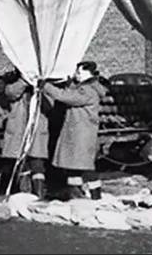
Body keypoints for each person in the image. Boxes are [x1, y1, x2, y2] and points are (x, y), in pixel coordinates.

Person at [42, 61, 106, 200]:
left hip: (80, 135)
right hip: (78, 133)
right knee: (73, 166)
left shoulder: (87, 90)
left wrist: (46, 86)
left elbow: (66, 97)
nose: (76, 75)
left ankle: (96, 196)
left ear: (87, 73)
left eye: (79, 72)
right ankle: (76, 194)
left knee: (85, 167)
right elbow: (71, 92)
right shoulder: (86, 88)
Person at [0, 72, 51, 198]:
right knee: (12, 164)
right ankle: (10, 194)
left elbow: (50, 105)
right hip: (17, 131)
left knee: (37, 164)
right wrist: (25, 81)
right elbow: (10, 94)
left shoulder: (46, 85)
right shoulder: (14, 85)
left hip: (36, 131)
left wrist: (40, 87)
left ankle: (38, 194)